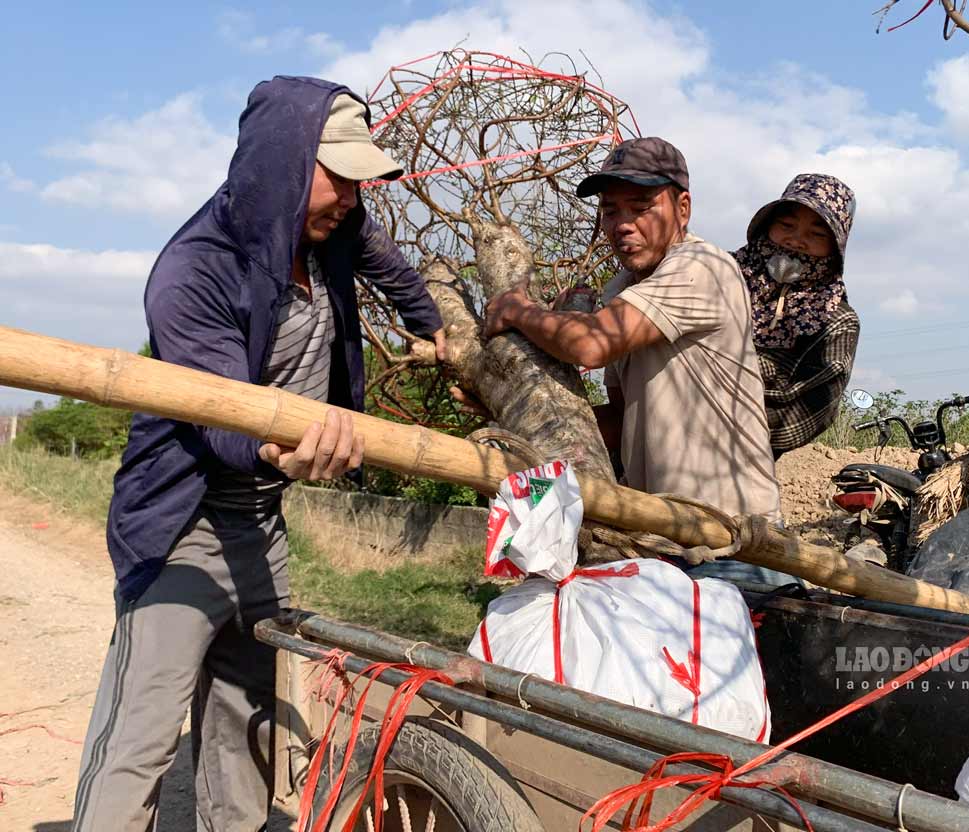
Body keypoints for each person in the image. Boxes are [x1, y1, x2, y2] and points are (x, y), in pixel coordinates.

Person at [72, 77, 445, 832]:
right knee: (141, 738)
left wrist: (435, 327)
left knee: (248, 730)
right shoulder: (193, 270)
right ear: (280, 161)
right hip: (182, 525)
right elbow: (219, 416)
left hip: (261, 524)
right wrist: (280, 450)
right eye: (338, 173)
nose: (352, 194)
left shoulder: (337, 224)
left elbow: (394, 271)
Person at [483, 136, 780, 522]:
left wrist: (518, 310)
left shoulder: (702, 267)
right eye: (610, 211)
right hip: (662, 529)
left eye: (641, 208)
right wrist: (517, 407)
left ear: (683, 209)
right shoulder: (623, 290)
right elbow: (621, 420)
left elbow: (591, 344)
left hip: (731, 532)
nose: (622, 225)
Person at [735, 174, 860, 459]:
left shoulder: (835, 321)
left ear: (835, 247)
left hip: (741, 462)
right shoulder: (723, 274)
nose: (797, 241)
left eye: (817, 234)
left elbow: (808, 412)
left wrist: (719, 408)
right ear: (766, 227)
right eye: (787, 225)